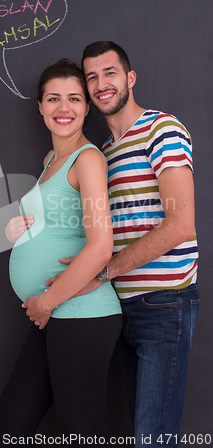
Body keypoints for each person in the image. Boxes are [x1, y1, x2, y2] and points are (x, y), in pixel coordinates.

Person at [43, 42, 200, 448]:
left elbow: (181, 223)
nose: (101, 84)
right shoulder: (104, 153)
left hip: (163, 303)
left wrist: (104, 269)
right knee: (139, 431)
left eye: (109, 73)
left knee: (153, 437)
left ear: (130, 78)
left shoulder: (160, 129)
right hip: (119, 308)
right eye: (91, 76)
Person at [0, 59, 122, 447]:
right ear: (41, 108)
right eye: (53, 99)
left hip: (81, 313)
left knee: (82, 437)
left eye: (74, 99)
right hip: (54, 313)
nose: (64, 108)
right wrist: (16, 230)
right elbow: (57, 225)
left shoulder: (89, 159)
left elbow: (100, 247)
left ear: (86, 107)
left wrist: (46, 301)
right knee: (8, 432)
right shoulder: (50, 161)